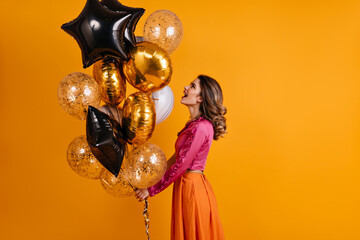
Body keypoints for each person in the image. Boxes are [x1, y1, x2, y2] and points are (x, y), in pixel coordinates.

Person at [135, 75, 227, 240]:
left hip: (191, 187)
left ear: (200, 97)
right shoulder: (195, 125)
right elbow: (177, 158)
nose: (185, 87)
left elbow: (182, 163)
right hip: (187, 185)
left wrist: (151, 190)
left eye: (192, 86)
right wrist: (151, 181)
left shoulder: (200, 127)